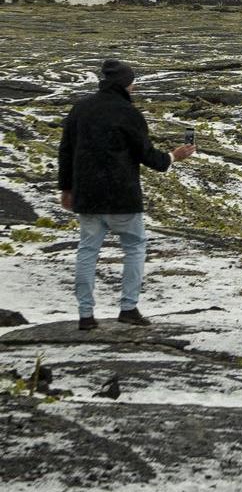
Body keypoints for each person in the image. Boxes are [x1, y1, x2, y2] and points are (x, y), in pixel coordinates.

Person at [57, 57, 195, 331]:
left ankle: (85, 315)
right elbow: (147, 155)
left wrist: (66, 188)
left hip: (88, 195)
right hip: (123, 196)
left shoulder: (80, 109)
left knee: (87, 251)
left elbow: (66, 150)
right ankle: (128, 308)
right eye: (132, 82)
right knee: (134, 248)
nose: (134, 86)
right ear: (125, 84)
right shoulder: (129, 113)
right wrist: (173, 156)